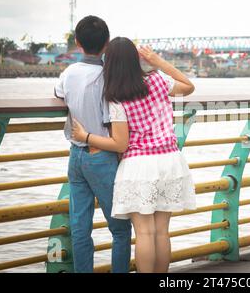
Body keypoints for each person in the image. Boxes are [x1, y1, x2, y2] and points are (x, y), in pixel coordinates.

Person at [71, 37, 196, 273]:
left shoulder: (117, 96)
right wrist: (158, 62)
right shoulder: (157, 81)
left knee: (145, 233)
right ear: (137, 59)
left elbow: (120, 143)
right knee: (161, 231)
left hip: (140, 165)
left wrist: (85, 136)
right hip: (170, 160)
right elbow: (188, 86)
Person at [54, 16, 132, 273]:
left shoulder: (68, 73)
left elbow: (58, 94)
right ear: (107, 43)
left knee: (80, 228)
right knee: (120, 229)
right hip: (102, 156)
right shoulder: (108, 77)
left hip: (76, 156)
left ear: (77, 43)